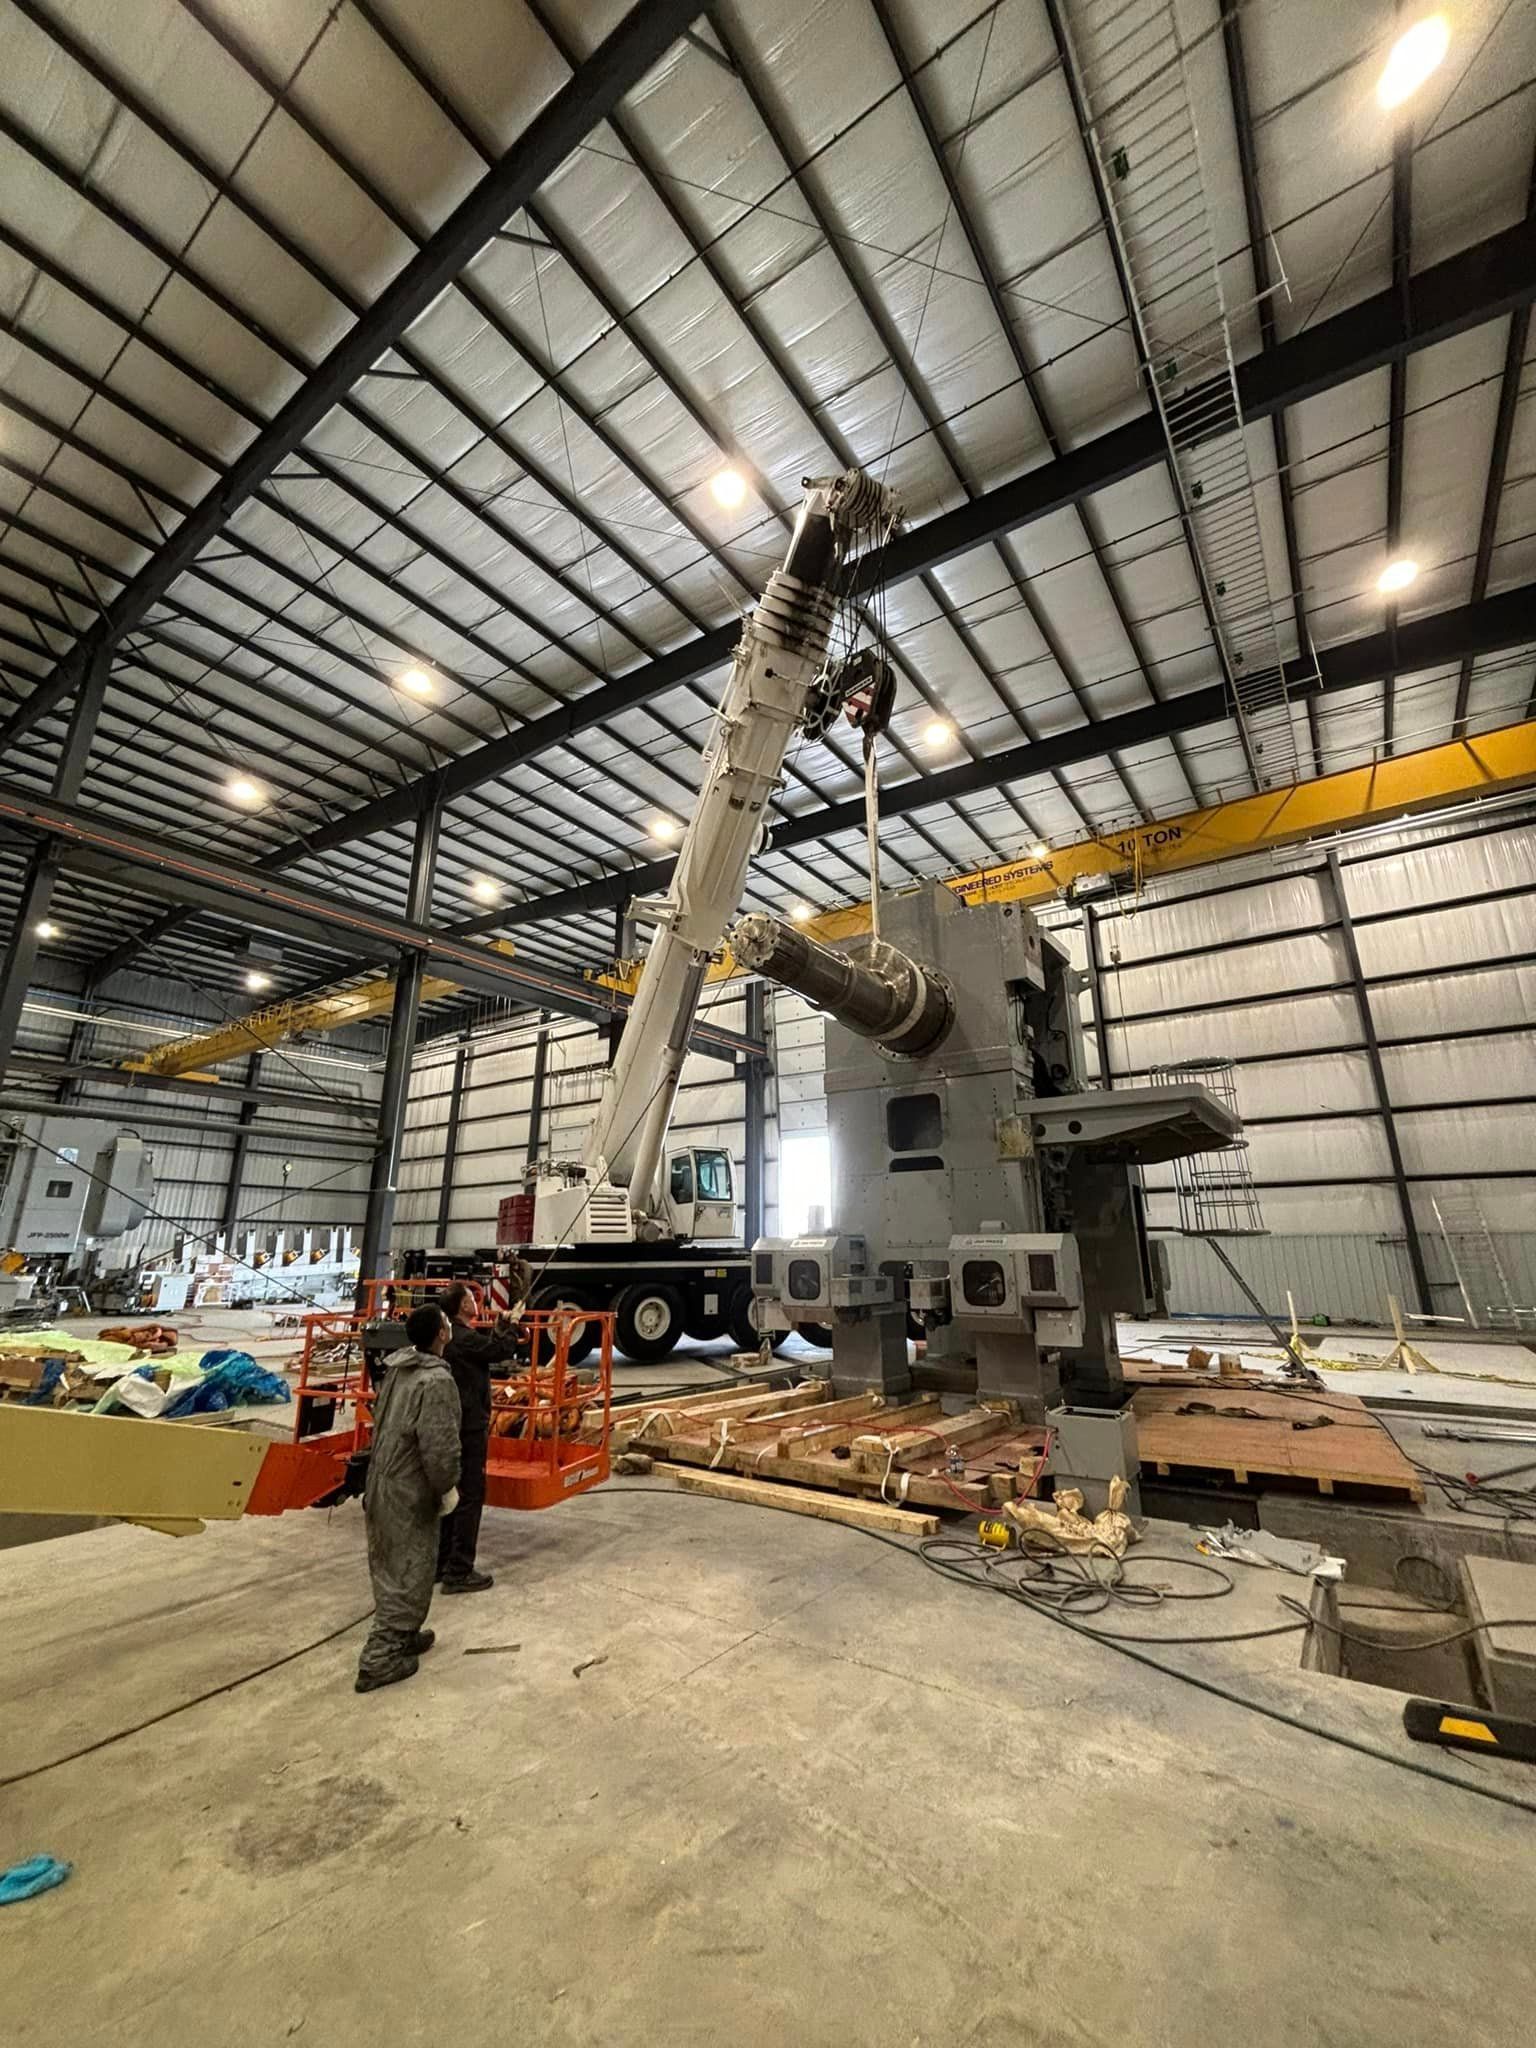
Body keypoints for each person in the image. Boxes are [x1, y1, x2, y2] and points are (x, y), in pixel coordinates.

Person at [355, 1303, 461, 1694]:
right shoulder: (435, 1383)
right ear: (441, 1335)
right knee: (409, 1566)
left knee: (390, 1563)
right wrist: (446, 1485)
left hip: (383, 1479)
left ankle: (405, 1632)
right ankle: (380, 1658)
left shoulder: (398, 1370)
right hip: (409, 1489)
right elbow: (439, 1444)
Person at [434, 1278, 525, 1595]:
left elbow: (485, 1348)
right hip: (469, 1426)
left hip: (449, 1424)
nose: (477, 1301)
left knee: (449, 1494)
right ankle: (459, 1570)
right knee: (470, 1495)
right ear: (461, 1306)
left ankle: (441, 1563)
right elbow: (498, 1351)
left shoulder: (448, 1337)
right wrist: (512, 1326)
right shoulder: (465, 1339)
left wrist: (500, 1327)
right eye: (472, 1298)